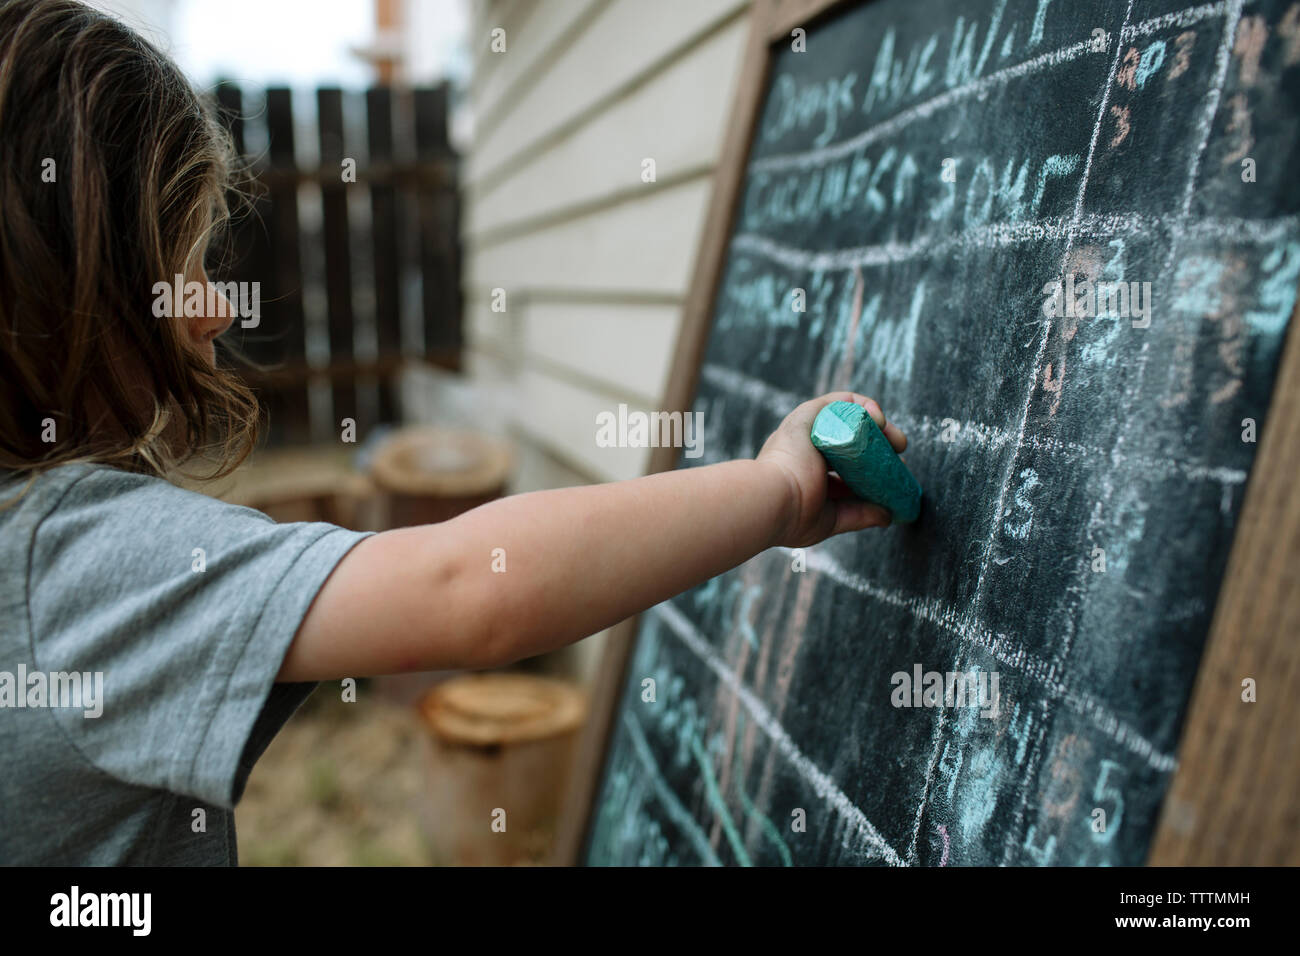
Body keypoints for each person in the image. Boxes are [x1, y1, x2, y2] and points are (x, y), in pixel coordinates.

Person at [0, 0, 908, 864]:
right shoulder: (68, 563)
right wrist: (779, 490)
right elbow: (470, 588)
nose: (207, 309)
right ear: (55, 285)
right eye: (174, 262)